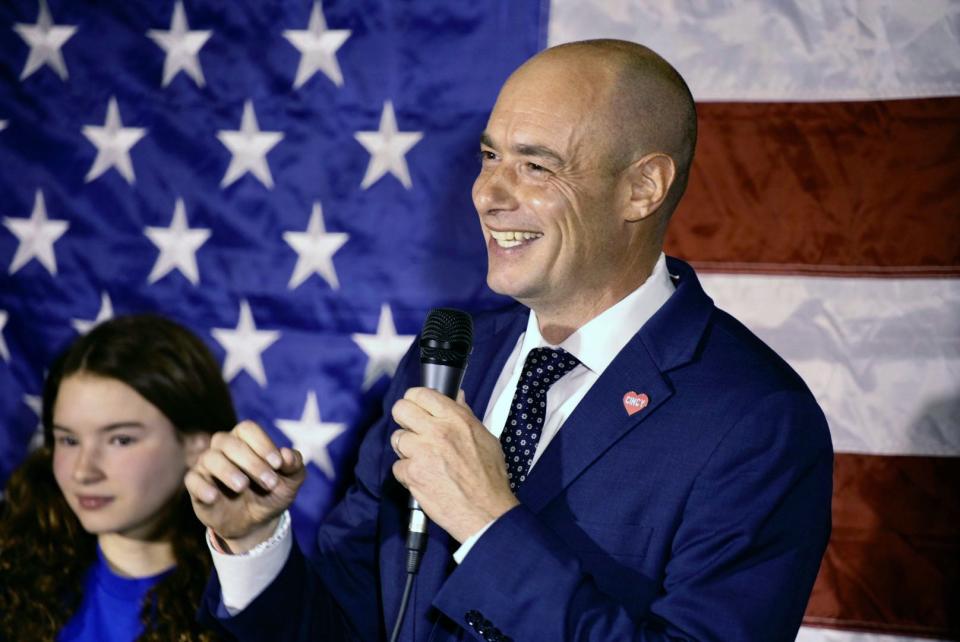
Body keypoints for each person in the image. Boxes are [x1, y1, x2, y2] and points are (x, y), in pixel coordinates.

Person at [188, 39, 833, 641]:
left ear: (642, 188)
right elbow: (347, 618)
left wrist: (488, 523)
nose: (488, 195)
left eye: (535, 165)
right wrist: (255, 544)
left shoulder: (756, 419)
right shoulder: (445, 360)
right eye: (491, 156)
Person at [0, 314, 238, 641]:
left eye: (120, 440)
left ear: (198, 446)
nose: (84, 471)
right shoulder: (13, 579)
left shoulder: (248, 608)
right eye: (68, 440)